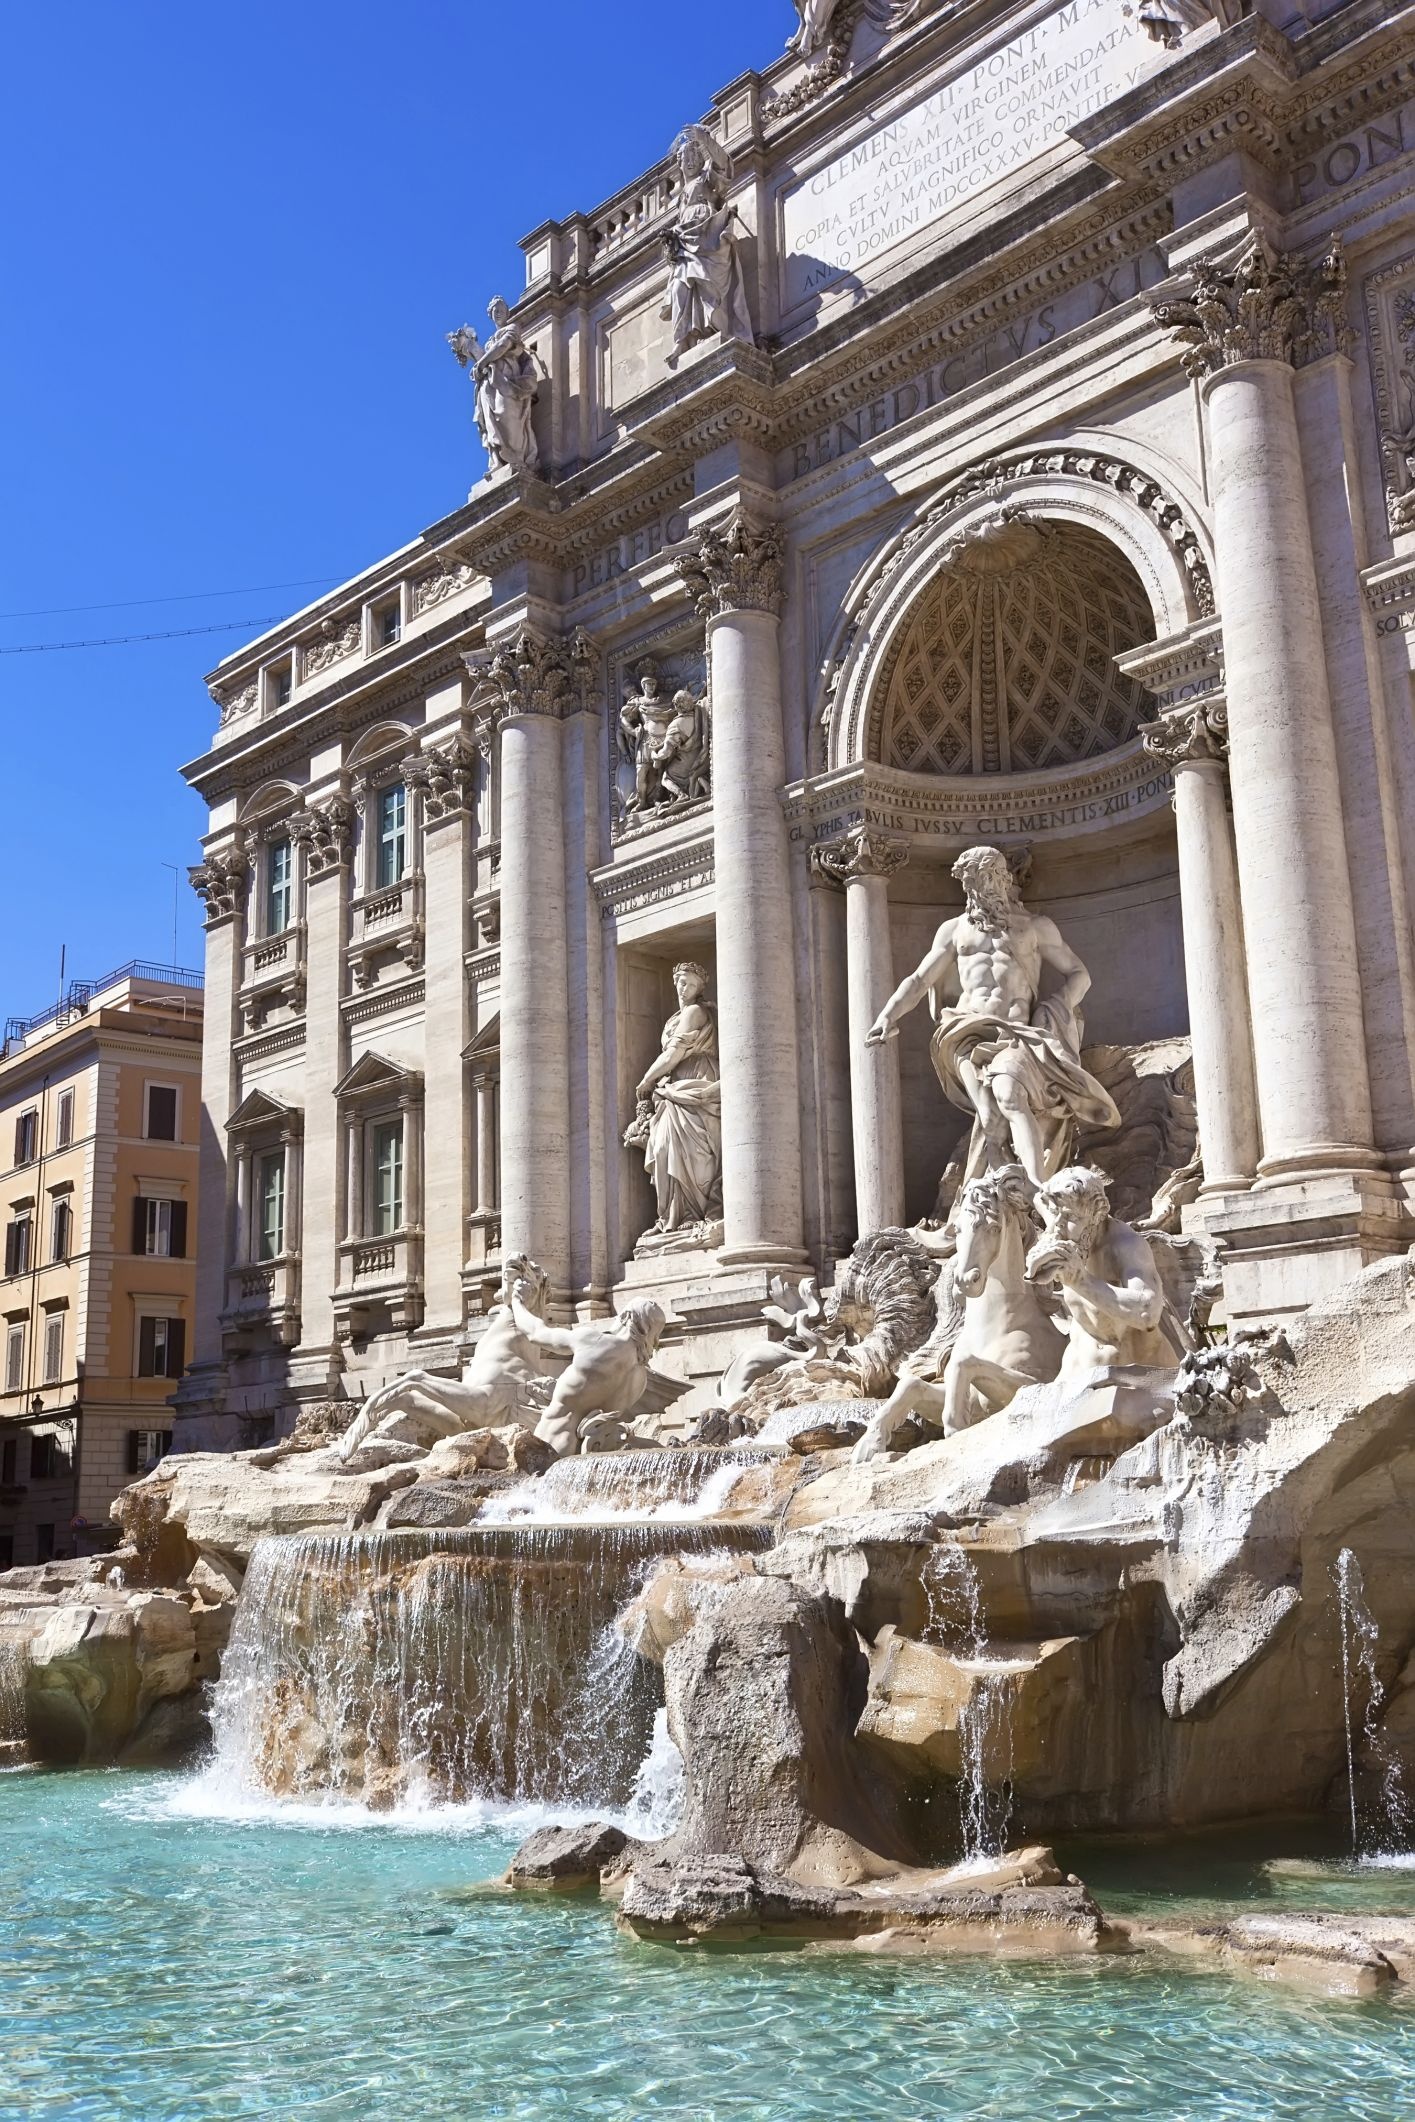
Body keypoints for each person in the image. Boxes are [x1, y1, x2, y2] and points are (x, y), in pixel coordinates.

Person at [866, 845, 1119, 1187]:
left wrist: (1053, 1008)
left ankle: (1035, 1187)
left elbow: (1080, 975)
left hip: (1017, 1033)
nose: (978, 890)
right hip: (966, 1032)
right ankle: (1003, 1198)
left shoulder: (1034, 927)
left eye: (984, 880)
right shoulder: (954, 930)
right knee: (991, 1120)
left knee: (1010, 1097)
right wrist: (887, 1015)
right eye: (970, 883)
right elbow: (919, 980)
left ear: (1002, 878)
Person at [625, 961, 723, 1243]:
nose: (685, 988)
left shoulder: (695, 1012)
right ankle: (672, 1216)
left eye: (692, 984)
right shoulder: (672, 1018)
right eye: (682, 982)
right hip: (673, 1087)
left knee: (695, 1152)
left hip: (696, 1080)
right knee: (664, 1145)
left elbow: (673, 1055)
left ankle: (693, 1213)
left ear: (700, 989)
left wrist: (646, 1080)